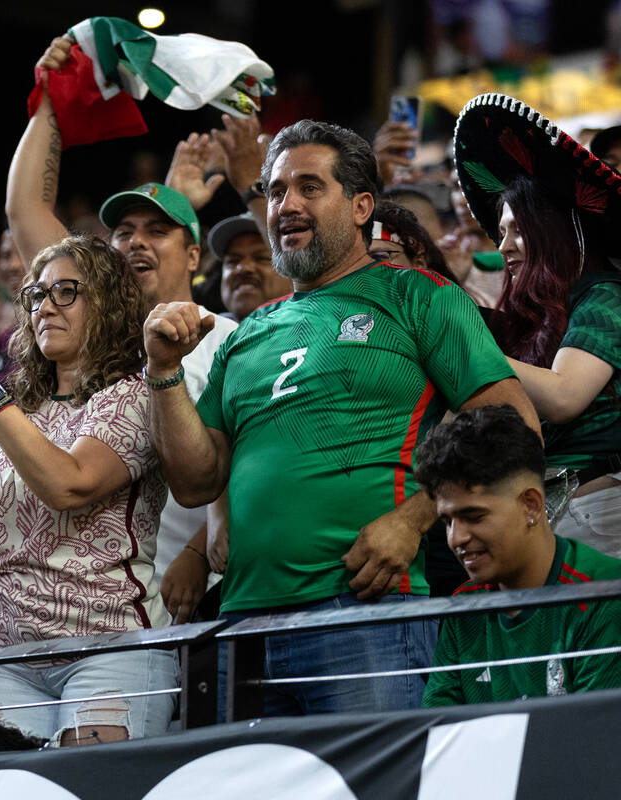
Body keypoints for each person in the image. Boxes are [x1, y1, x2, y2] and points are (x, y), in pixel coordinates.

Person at [145, 119, 540, 716]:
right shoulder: (246, 332)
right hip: (242, 622)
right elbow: (196, 481)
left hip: (365, 611)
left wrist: (413, 521)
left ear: (360, 206)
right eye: (276, 191)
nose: (287, 205)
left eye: (309, 187)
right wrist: (165, 372)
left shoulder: (418, 296)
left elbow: (515, 427)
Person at [0, 235, 177, 746]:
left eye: (66, 292)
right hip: (11, 657)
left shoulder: (130, 393)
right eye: (37, 295)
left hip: (111, 649)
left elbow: (71, 483)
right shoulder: (15, 403)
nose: (46, 306)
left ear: (108, 302)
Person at [6, 37, 239, 623]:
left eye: (157, 231)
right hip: (69, 604)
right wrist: (51, 104)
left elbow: (246, 454)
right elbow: (24, 211)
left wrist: (198, 551)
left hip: (181, 595)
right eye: (124, 231)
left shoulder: (229, 336)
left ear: (194, 258)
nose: (135, 240)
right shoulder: (87, 327)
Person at [454, 94, 621, 556]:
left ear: (556, 231)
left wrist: (463, 343)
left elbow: (566, 396)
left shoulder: (606, 295)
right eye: (501, 232)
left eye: (516, 230)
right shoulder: (543, 314)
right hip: (551, 516)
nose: (503, 247)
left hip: (602, 515)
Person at [415, 405, 621, 706]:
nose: (456, 538)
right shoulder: (463, 609)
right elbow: (439, 736)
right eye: (447, 522)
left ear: (531, 505)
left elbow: (594, 744)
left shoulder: (605, 597)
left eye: (473, 516)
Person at [205, 212, 290, 323]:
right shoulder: (207, 334)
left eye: (261, 258)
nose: (243, 268)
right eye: (233, 261)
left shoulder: (309, 329)